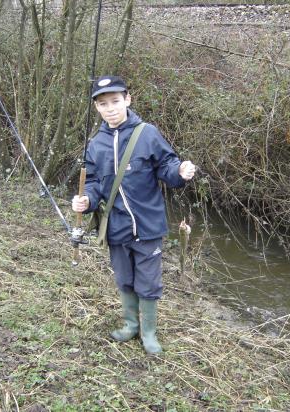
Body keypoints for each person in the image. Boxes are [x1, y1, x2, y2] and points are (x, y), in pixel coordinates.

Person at [72, 75, 196, 354]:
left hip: (148, 225)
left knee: (148, 281)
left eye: (115, 101)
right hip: (115, 227)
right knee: (124, 278)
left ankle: (149, 332)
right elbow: (93, 183)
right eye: (103, 104)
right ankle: (131, 325)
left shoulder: (147, 133)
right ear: (97, 108)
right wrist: (86, 201)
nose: (110, 108)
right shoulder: (95, 144)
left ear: (127, 99)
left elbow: (167, 165)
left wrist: (180, 172)